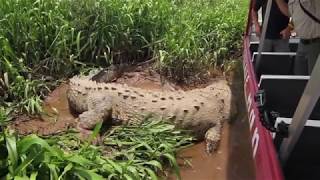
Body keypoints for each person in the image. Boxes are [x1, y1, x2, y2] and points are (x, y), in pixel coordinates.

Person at [275, 0, 320, 75]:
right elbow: (291, 13)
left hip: (316, 43)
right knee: (299, 75)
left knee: (314, 80)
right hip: (302, 44)